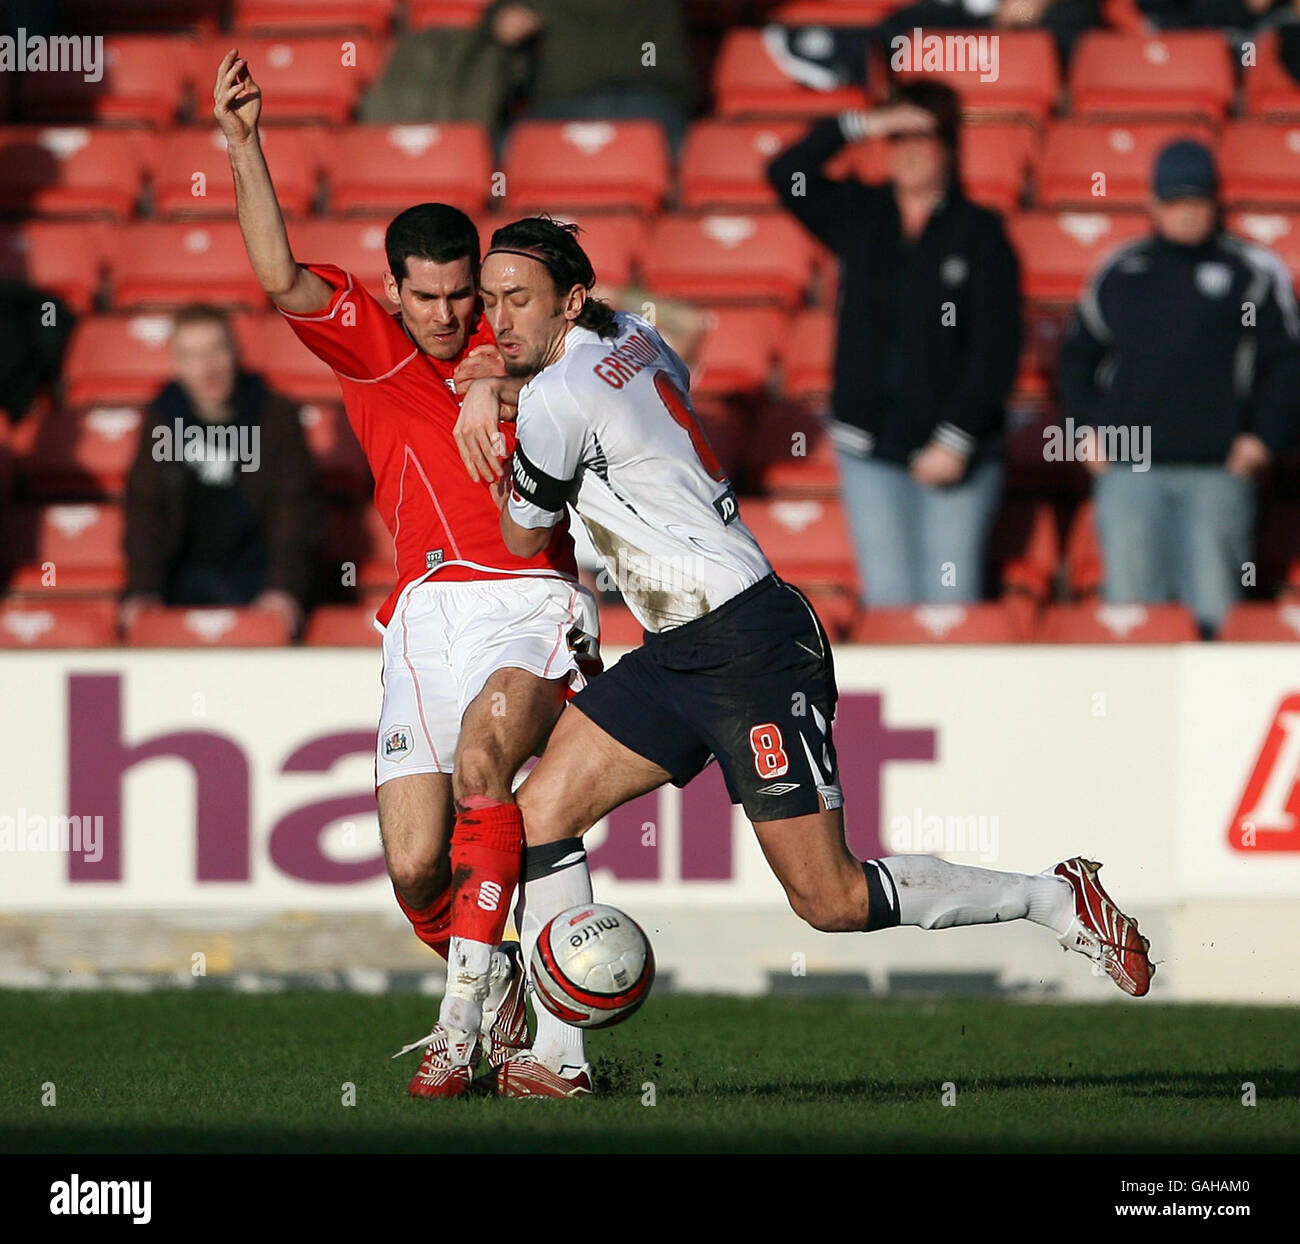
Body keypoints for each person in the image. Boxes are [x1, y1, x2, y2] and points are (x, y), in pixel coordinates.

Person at [452, 217, 1153, 1098]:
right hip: (680, 646)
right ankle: (560, 1064)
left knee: (831, 901)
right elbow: (607, 382)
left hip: (747, 643)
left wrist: (490, 408)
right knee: (543, 813)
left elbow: (522, 536)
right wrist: (503, 386)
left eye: (518, 300)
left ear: (572, 299)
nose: (498, 320)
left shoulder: (556, 398)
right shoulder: (634, 334)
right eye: (490, 301)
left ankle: (1057, 899)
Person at [215, 50, 601, 1098]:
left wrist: (502, 374)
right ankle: (504, 983)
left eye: (458, 294)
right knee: (414, 866)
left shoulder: (520, 337)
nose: (444, 314)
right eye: (423, 295)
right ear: (391, 288)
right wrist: (245, 145)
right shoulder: (373, 342)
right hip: (420, 615)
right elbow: (275, 273)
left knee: (486, 769)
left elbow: (620, 333)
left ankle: (458, 1030)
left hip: (528, 599)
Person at [767, 83, 1021, 608]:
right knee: (890, 606)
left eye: (921, 136)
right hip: (870, 448)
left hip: (957, 456)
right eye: (896, 135)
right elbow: (785, 173)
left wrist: (956, 438)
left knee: (950, 607)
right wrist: (863, 124)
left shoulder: (981, 234)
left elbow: (998, 348)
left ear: (949, 146)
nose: (906, 148)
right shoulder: (862, 215)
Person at [1058, 139, 1300, 636]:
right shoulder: (1120, 271)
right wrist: (1086, 430)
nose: (1185, 213)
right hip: (1130, 470)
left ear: (1217, 201)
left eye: (1196, 200)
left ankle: (1213, 715)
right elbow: (1078, 359)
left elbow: (1288, 365)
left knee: (1213, 608)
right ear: (1152, 203)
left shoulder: (1252, 272)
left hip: (1217, 469)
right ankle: (1129, 712)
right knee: (1131, 614)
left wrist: (1263, 439)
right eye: (1174, 201)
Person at [121, 303, 319, 638]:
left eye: (215, 351)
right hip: (180, 582)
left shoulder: (275, 417)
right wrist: (143, 590)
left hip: (258, 581)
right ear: (176, 365)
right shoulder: (162, 419)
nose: (206, 368)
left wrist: (284, 591)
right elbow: (144, 510)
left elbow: (296, 509)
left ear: (235, 352)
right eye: (192, 356)